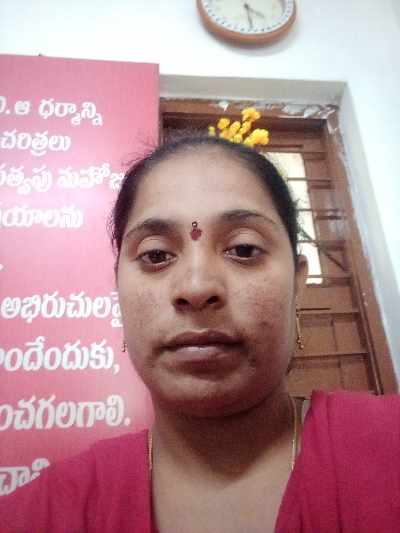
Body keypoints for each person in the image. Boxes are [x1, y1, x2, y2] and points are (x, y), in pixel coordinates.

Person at [1, 134, 399, 532]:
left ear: (298, 283)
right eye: (156, 255)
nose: (196, 287)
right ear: (118, 288)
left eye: (243, 249)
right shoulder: (41, 515)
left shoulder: (387, 445)